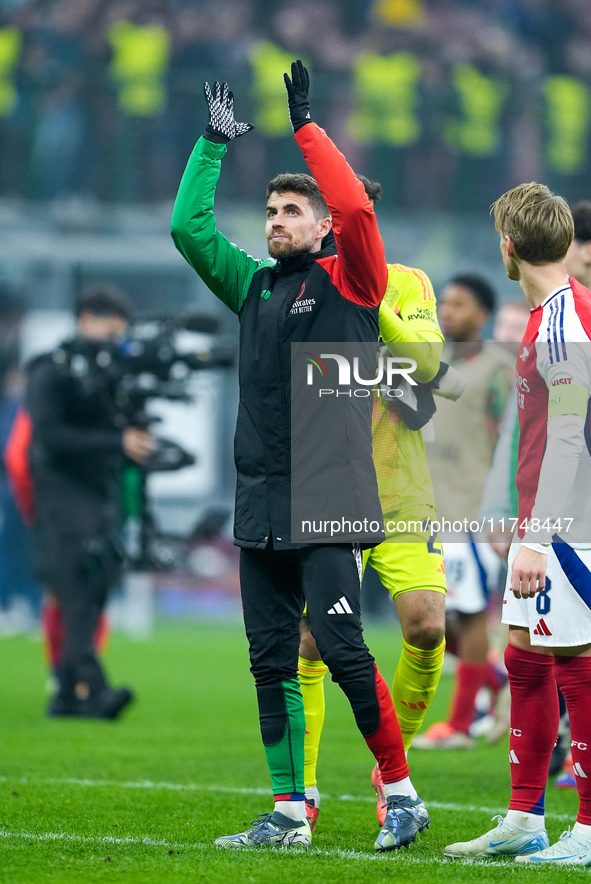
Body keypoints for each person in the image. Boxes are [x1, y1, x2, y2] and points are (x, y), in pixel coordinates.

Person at [171, 62, 428, 853]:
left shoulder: (354, 282)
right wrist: (213, 145)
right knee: (269, 662)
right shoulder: (253, 287)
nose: (276, 221)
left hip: (331, 497)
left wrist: (307, 128)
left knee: (345, 651)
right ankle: (289, 811)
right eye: (273, 210)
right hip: (261, 501)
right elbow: (188, 229)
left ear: (324, 228)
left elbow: (353, 202)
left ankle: (401, 794)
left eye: (292, 211)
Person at [445, 181, 591, 865]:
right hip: (546, 517)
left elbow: (566, 436)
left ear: (508, 245)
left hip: (568, 526)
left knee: (574, 663)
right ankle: (523, 817)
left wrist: (537, 535)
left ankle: (587, 830)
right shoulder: (547, 315)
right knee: (524, 656)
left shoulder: (562, 320)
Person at [298, 174, 447, 831]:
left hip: (400, 486)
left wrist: (367, 311)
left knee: (425, 626)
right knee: (309, 643)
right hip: (328, 486)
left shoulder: (408, 282)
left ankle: (392, 766)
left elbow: (424, 375)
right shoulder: (298, 284)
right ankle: (299, 790)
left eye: (354, 213)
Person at [26, 284, 155, 719]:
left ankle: (65, 694)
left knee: (95, 588)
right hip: (61, 494)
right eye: (110, 330)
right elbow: (49, 436)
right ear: (85, 320)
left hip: (102, 491)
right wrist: (117, 440)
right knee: (78, 590)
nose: (115, 342)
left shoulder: (115, 374)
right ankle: (94, 689)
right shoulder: (51, 370)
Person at [415, 274, 514, 748]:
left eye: (459, 303)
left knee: (469, 614)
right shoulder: (432, 361)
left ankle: (458, 726)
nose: (447, 311)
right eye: (443, 302)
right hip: (427, 508)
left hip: (473, 511)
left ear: (483, 313)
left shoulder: (499, 368)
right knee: (435, 616)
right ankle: (494, 676)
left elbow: (512, 436)